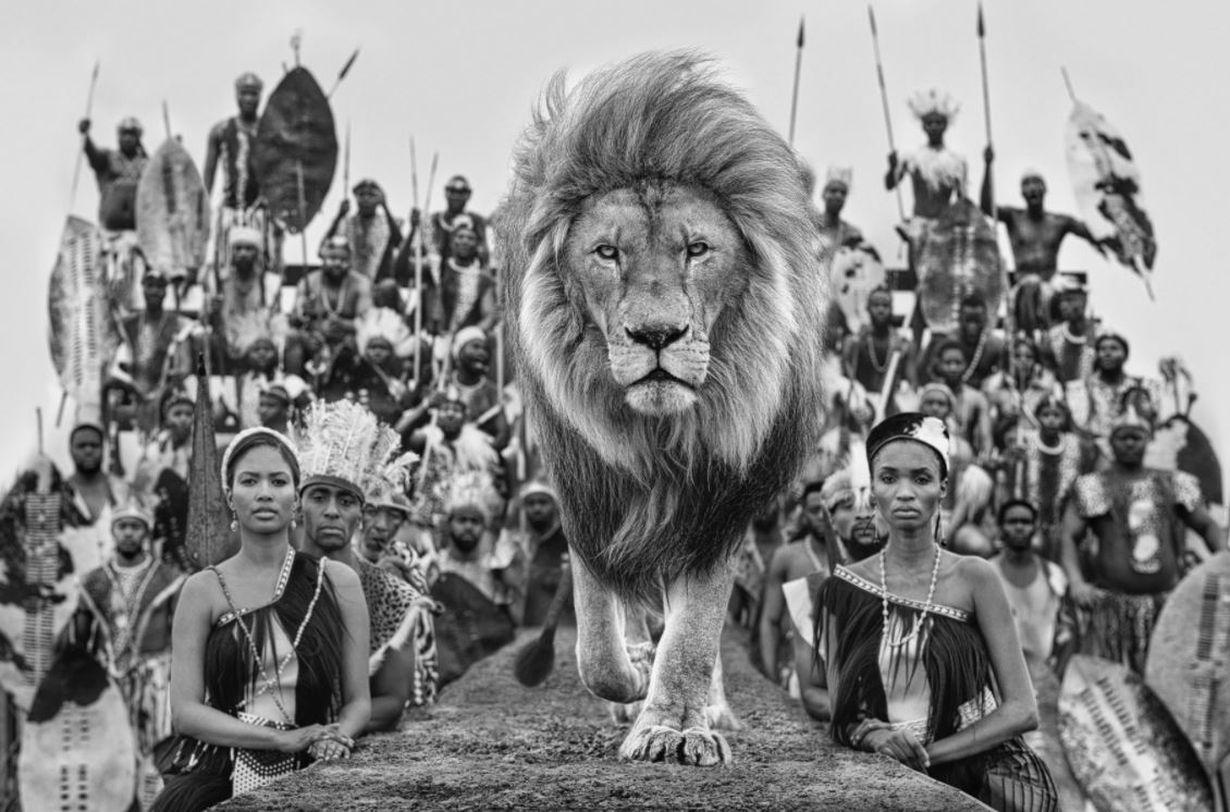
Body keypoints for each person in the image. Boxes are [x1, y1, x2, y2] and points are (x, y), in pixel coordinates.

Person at [814, 413, 1057, 810]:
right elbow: (843, 714)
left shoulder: (975, 577)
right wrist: (877, 738)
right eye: (889, 478)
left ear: (943, 488)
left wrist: (927, 755)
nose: (905, 492)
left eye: (921, 479)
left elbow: (1021, 709)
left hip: (977, 778)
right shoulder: (843, 588)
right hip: (884, 783)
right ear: (873, 491)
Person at [153, 428, 369, 809]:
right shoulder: (203, 589)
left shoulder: (336, 582)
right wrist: (282, 740)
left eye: (278, 481)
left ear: (295, 499)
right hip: (219, 772)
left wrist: (332, 738)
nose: (265, 492)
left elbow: (358, 701)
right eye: (250, 481)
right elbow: (185, 712)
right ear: (230, 498)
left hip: (314, 766)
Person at [295, 401, 436, 726]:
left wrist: (330, 733)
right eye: (318, 498)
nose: (332, 511)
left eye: (345, 501)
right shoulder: (273, 579)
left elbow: (390, 700)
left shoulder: (393, 595)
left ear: (361, 514)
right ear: (298, 508)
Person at [1056, 407, 1224, 676]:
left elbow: (1206, 525)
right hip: (1113, 608)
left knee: (1165, 680)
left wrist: (1223, 563)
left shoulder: (1172, 482)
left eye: (1136, 437)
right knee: (1117, 687)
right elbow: (1068, 535)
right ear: (1112, 442)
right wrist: (1077, 582)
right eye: (1123, 437)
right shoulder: (1093, 485)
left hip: (1165, 606)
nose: (1130, 443)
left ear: (1148, 440)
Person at [71, 500, 185, 808]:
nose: (129, 534)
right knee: (111, 756)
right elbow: (82, 634)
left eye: (136, 527)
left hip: (156, 680)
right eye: (123, 527)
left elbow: (180, 633)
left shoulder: (168, 577)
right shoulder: (94, 581)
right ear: (113, 531)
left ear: (145, 532)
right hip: (109, 678)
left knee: (157, 755)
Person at [979, 159, 1108, 332]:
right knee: (1031, 285)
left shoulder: (1060, 222)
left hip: (1053, 285)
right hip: (1023, 288)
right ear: (1022, 192)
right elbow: (987, 207)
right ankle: (1030, 338)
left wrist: (1107, 203)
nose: (1032, 188)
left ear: (1045, 189)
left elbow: (1094, 232)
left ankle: (1073, 341)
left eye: (1036, 183)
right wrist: (988, 165)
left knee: (1071, 291)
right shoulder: (1013, 217)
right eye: (1027, 184)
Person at [997, 396, 1100, 560]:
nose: (1051, 420)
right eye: (1046, 415)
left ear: (1065, 418)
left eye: (1056, 415)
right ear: (1038, 417)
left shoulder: (1074, 444)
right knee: (1037, 544)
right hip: (1030, 513)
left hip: (1062, 516)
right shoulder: (1025, 440)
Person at [759, 481, 832, 694]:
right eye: (814, 510)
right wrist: (770, 680)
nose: (821, 516)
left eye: (826, 509)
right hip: (799, 673)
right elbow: (770, 621)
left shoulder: (854, 556)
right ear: (804, 513)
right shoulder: (787, 557)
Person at [203, 73, 276, 276]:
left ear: (260, 97)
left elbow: (280, 172)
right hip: (230, 211)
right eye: (244, 94)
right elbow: (208, 174)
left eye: (253, 94)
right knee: (226, 266)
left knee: (263, 267)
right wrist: (203, 207)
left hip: (261, 212)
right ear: (237, 95)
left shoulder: (270, 131)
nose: (249, 99)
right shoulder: (220, 130)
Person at [112, 271, 195, 430]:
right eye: (150, 286)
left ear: (166, 291)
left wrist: (165, 388)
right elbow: (118, 362)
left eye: (159, 287)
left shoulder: (178, 323)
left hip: (167, 394)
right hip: (132, 393)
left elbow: (184, 366)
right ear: (142, 288)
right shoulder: (129, 324)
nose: (154, 291)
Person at [987, 500, 1066, 664]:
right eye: (1012, 522)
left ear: (1035, 527)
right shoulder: (985, 574)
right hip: (997, 672)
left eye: (1025, 522)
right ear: (1000, 527)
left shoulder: (1053, 574)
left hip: (1044, 675)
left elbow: (1068, 630)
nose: (1019, 527)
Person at [288, 237, 373, 380]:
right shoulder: (308, 282)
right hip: (314, 339)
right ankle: (294, 388)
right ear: (323, 257)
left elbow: (367, 322)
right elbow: (293, 320)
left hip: (347, 340)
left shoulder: (361, 283)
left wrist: (341, 324)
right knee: (293, 338)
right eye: (332, 258)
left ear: (350, 261)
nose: (338, 264)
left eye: (343, 260)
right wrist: (303, 312)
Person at [204, 226, 285, 373]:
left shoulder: (270, 283)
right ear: (231, 252)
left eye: (249, 249)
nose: (243, 253)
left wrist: (272, 342)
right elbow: (205, 319)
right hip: (226, 338)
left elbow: (277, 321)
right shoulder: (218, 282)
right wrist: (211, 310)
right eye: (238, 248)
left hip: (261, 339)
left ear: (257, 253)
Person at [503, 481, 570, 628]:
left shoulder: (569, 543)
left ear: (554, 505)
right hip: (529, 628)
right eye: (531, 503)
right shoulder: (518, 546)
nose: (537, 508)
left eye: (542, 502)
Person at [843, 286, 914, 410]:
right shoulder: (855, 341)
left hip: (892, 408)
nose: (881, 310)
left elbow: (912, 383)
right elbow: (847, 382)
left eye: (885, 305)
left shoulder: (902, 343)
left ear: (891, 309)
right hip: (862, 407)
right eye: (876, 305)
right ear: (868, 308)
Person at [323, 179, 404, 282]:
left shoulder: (389, 223)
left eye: (371, 195)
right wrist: (339, 216)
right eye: (362, 194)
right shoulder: (347, 223)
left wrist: (385, 207)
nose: (366, 199)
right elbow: (325, 248)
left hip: (379, 283)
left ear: (379, 199)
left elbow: (399, 243)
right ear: (356, 197)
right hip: (353, 284)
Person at [424, 226, 498, 338]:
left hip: (464, 340)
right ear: (452, 242)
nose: (465, 241)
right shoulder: (437, 268)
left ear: (477, 244)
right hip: (432, 336)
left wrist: (469, 335)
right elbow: (400, 270)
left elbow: (489, 316)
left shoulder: (483, 279)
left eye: (470, 238)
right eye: (460, 236)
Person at [79, 115, 148, 232]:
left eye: (131, 134)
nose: (127, 138)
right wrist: (86, 137)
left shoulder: (147, 164)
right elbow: (94, 155)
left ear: (138, 138)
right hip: (110, 225)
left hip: (141, 226)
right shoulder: (108, 157)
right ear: (119, 136)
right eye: (124, 134)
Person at [931, 340, 994, 458]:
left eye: (958, 363)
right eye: (948, 363)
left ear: (966, 364)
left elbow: (986, 437)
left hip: (964, 457)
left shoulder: (977, 398)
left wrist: (986, 456)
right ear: (939, 365)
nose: (953, 368)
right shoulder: (930, 395)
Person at [447, 326, 508, 448]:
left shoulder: (492, 392)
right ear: (459, 351)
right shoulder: (443, 384)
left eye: (485, 349)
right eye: (475, 347)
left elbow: (503, 435)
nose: (482, 353)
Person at [422, 175, 490, 264]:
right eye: (453, 191)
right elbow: (426, 247)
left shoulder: (476, 221)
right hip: (435, 272)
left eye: (461, 193)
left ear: (468, 195)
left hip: (466, 272)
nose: (456, 196)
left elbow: (483, 254)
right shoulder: (433, 219)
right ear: (446, 193)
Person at [1040, 281, 1098, 385]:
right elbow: (1049, 372)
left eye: (1070, 300)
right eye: (1061, 301)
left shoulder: (1099, 333)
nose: (1063, 305)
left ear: (1084, 302)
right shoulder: (1053, 336)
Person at [817, 166, 864, 255]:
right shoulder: (810, 227)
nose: (838, 196)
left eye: (843, 193)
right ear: (824, 194)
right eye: (833, 191)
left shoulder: (851, 234)